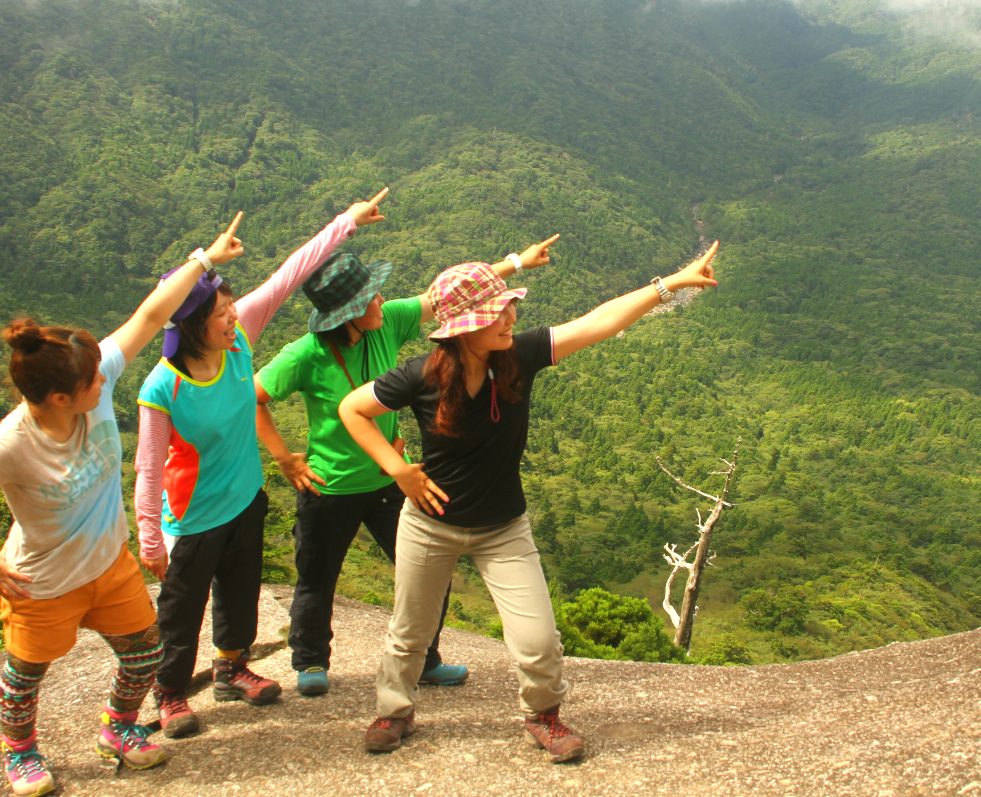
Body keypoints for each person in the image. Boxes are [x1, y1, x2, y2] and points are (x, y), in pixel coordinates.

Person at [339, 240, 720, 762]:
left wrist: (670, 284)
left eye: (508, 306)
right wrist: (398, 470)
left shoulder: (519, 355)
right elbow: (352, 409)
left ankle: (543, 715)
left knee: (539, 640)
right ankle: (394, 711)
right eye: (497, 312)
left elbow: (599, 322)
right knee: (410, 631)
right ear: (464, 328)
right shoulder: (420, 375)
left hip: (502, 528)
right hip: (430, 525)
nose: (511, 317)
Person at [0, 215, 244, 796]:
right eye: (93, 384)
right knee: (25, 676)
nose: (106, 382)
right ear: (60, 397)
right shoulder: (12, 444)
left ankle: (118, 727)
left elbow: (150, 316)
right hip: (43, 581)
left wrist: (204, 261)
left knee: (145, 655)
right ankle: (21, 752)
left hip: (110, 564)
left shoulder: (95, 374)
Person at [253, 234, 559, 697]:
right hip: (330, 486)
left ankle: (427, 660)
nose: (381, 299)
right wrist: (285, 458)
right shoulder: (304, 354)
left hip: (394, 480)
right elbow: (254, 396)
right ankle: (311, 659)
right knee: (317, 578)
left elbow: (450, 301)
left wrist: (516, 263)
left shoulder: (388, 322)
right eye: (371, 296)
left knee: (427, 578)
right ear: (348, 313)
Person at [134, 189, 389, 739]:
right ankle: (170, 692)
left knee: (240, 591)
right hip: (192, 515)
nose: (233, 317)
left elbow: (286, 277)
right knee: (182, 609)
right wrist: (150, 539)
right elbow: (148, 468)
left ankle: (231, 668)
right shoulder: (161, 386)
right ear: (192, 324)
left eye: (232, 308)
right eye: (221, 314)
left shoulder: (238, 344)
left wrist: (346, 221)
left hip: (245, 500)